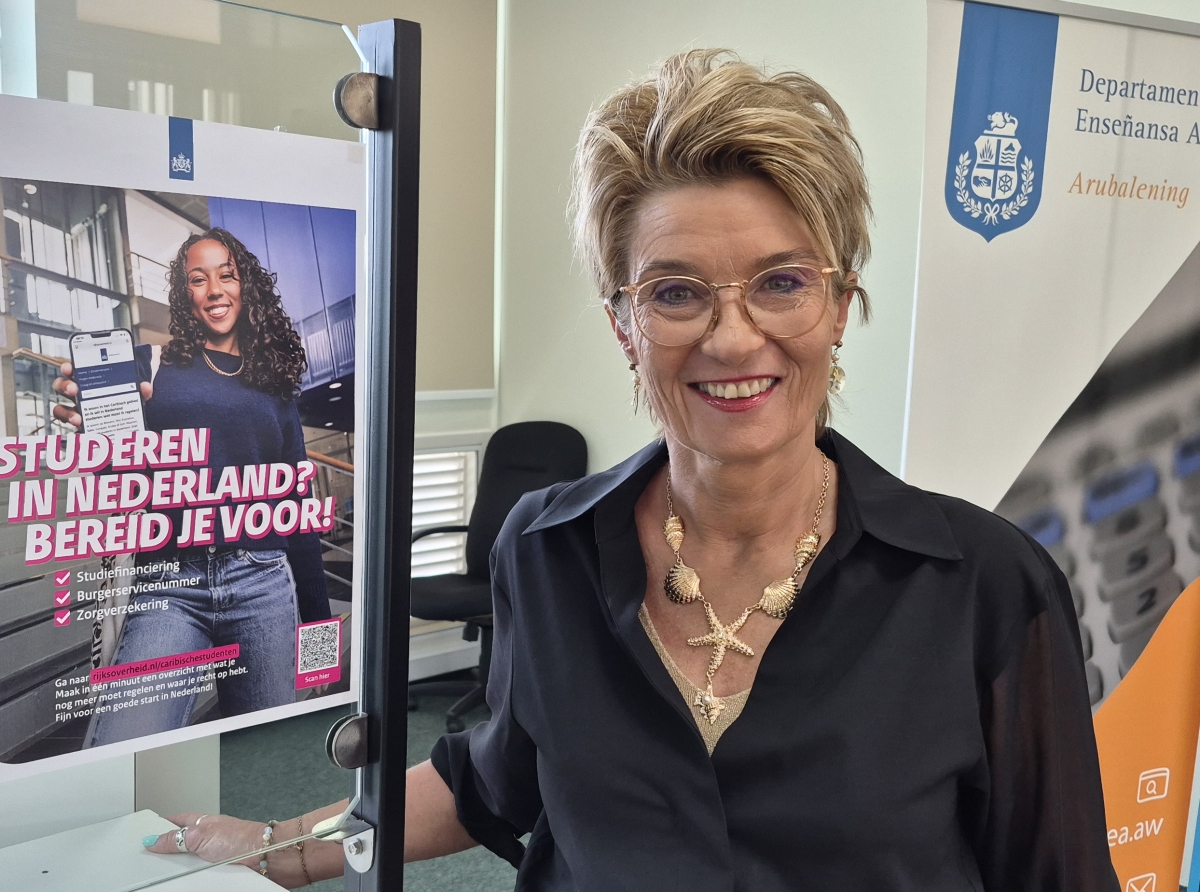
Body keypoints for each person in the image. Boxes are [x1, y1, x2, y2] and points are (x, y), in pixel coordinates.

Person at [142, 51, 1119, 890]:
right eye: (676, 292)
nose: (733, 337)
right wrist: (270, 845)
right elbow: (490, 780)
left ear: (837, 307)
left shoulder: (986, 587)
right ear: (623, 327)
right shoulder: (547, 549)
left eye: (782, 282)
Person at [53, 228, 331, 746]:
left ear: (247, 286)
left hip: (263, 581)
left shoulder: (273, 383)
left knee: (267, 754)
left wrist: (320, 648)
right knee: (122, 748)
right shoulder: (152, 365)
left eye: (227, 275)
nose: (215, 290)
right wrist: (99, 442)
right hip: (169, 582)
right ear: (186, 295)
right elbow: (125, 483)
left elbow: (298, 509)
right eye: (198, 279)